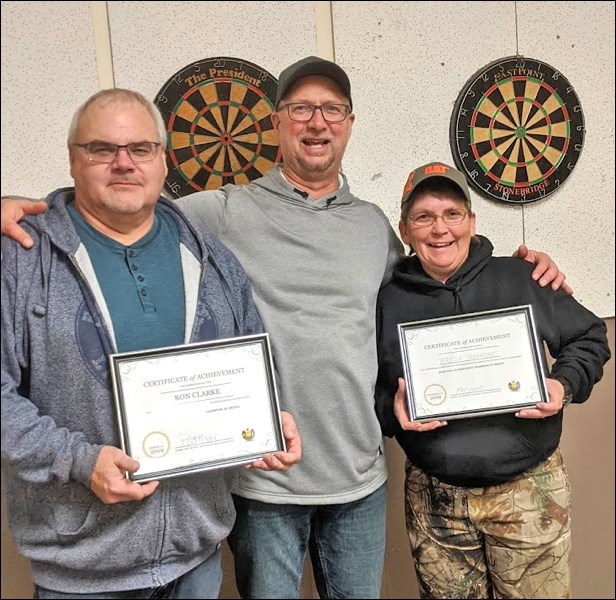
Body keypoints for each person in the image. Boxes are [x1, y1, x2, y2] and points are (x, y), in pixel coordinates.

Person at [1, 58, 569, 599]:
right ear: (276, 123)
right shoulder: (220, 214)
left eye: (331, 109)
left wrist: (521, 269)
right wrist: (13, 205)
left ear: (349, 125)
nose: (316, 121)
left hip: (358, 476)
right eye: (300, 108)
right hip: (264, 482)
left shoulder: (374, 227)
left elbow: (432, 279)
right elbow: (122, 204)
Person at [0, 88, 302, 600]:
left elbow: (255, 361)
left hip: (196, 558)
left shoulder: (213, 260)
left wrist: (270, 417)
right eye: (102, 149)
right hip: (81, 569)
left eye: (140, 148)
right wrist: (78, 459)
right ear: (74, 158)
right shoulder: (23, 258)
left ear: (162, 160)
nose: (123, 163)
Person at [374, 161, 610, 599]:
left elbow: (590, 337)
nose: (439, 229)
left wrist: (563, 386)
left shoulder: (523, 277)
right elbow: (370, 388)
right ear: (405, 230)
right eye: (423, 217)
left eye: (452, 213)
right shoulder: (387, 301)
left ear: (472, 221)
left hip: (527, 492)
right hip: (436, 499)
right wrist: (392, 410)